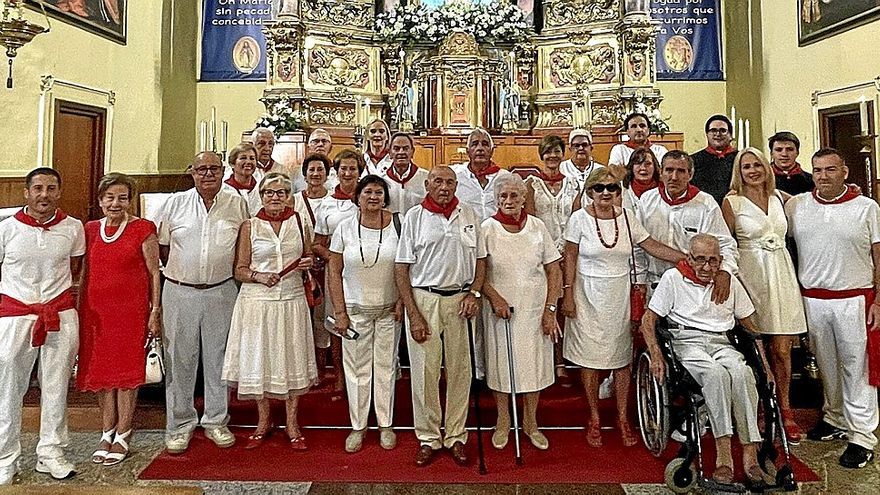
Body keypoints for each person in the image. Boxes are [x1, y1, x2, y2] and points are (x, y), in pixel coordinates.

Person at [561, 168, 684, 448]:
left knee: (621, 358)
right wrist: (567, 294)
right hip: (586, 294)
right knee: (590, 358)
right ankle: (593, 416)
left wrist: (686, 258)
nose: (606, 193)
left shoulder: (628, 218)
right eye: (600, 188)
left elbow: (650, 245)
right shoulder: (579, 218)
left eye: (613, 188)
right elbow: (569, 255)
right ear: (590, 192)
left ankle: (622, 417)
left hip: (618, 294)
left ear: (620, 192)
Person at [641, 234, 772, 488]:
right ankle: (724, 456)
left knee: (742, 372)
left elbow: (750, 326)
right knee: (716, 374)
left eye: (713, 261)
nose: (706, 267)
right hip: (687, 342)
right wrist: (656, 355)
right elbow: (649, 320)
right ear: (689, 258)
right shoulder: (673, 279)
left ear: (720, 261)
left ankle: (750, 454)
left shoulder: (728, 281)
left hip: (721, 341)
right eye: (699, 260)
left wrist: (766, 367)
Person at [786, 148, 879, 469]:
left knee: (858, 369)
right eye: (818, 170)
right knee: (825, 365)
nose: (823, 176)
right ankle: (835, 417)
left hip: (854, 299)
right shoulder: (797, 206)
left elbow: (878, 255)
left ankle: (862, 436)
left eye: (830, 170)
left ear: (845, 172)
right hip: (813, 299)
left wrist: (879, 299)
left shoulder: (867, 208)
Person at [159, 152, 249, 455]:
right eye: (201, 169)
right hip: (179, 290)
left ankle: (216, 420)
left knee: (218, 357)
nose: (207, 174)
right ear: (191, 172)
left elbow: (242, 246)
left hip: (222, 289)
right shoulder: (175, 203)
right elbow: (162, 247)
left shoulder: (236, 203)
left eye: (213, 168)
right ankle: (180, 424)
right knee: (179, 358)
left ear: (223, 171)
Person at [0, 168, 85, 484]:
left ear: (59, 192)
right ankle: (5, 458)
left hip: (59, 315)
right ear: (26, 192)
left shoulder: (73, 228)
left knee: (56, 385)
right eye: (37, 188)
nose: (44, 195)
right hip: (15, 316)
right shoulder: (7, 229)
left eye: (51, 188)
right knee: (8, 388)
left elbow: (76, 267)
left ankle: (51, 453)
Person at [222, 172, 317, 451]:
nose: (275, 198)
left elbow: (308, 256)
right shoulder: (250, 226)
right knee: (259, 360)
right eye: (269, 193)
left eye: (281, 193)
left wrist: (306, 264)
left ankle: (291, 422)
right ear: (261, 197)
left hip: (291, 300)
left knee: (291, 358)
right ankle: (263, 421)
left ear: (289, 196)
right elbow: (238, 269)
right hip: (257, 302)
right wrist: (259, 276)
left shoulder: (300, 221)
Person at [395, 166, 482, 467]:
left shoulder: (469, 214)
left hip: (460, 299)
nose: (444, 187)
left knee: (461, 371)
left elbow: (481, 260)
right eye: (438, 182)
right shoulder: (414, 218)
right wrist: (413, 314)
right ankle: (428, 437)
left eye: (449, 182)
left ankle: (456, 435)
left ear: (456, 185)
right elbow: (401, 269)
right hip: (425, 298)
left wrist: (475, 293)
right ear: (428, 185)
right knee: (425, 372)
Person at [721, 148, 808, 444]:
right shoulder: (731, 202)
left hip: (781, 274)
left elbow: (815, 206)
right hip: (751, 276)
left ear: (765, 167)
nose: (753, 170)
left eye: (757, 164)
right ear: (739, 171)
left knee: (782, 350)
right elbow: (726, 243)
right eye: (746, 166)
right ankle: (759, 409)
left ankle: (785, 409)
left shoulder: (780, 199)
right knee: (756, 351)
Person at [77, 173, 161, 466]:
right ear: (100, 201)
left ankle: (124, 433)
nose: (116, 203)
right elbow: (85, 272)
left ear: (130, 200)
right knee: (102, 375)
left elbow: (154, 272)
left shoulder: (143, 228)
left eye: (122, 197)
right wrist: (79, 310)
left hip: (131, 312)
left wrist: (155, 311)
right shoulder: (88, 229)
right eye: (110, 197)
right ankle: (106, 430)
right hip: (96, 313)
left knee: (126, 375)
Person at [479, 173, 562, 451]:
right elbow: (478, 275)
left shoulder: (538, 227)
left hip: (534, 310)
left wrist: (551, 309)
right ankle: (503, 421)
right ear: (496, 199)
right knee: (501, 366)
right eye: (503, 196)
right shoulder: (487, 228)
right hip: (500, 310)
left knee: (533, 366)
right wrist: (494, 297)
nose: (509, 201)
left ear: (524, 198)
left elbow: (554, 270)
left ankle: (530, 422)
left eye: (514, 195)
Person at [328, 175, 402, 453]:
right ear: (357, 197)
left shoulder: (398, 225)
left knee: (385, 369)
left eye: (379, 192)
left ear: (386, 197)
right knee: (357, 371)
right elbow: (333, 271)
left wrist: (402, 302)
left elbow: (406, 267)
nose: (373, 197)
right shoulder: (344, 228)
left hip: (388, 311)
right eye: (368, 192)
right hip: (355, 311)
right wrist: (340, 311)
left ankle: (386, 425)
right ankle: (358, 427)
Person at [637, 150, 738, 297]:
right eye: (669, 170)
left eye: (681, 171)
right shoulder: (647, 200)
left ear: (690, 175)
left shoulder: (706, 204)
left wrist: (725, 271)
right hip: (652, 281)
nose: (674, 177)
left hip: (690, 283)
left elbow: (725, 244)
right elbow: (637, 244)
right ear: (660, 172)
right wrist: (639, 279)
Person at [313, 149, 365, 396]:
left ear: (359, 172)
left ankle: (365, 374)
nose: (347, 173)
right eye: (343, 168)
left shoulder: (369, 196)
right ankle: (341, 376)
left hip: (366, 270)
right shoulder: (327, 203)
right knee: (337, 322)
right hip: (336, 271)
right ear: (336, 171)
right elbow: (317, 243)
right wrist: (335, 259)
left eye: (352, 169)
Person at [296, 153, 333, 380]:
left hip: (327, 265)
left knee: (322, 319)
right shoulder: (294, 200)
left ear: (327, 175)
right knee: (301, 319)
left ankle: (320, 370)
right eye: (311, 170)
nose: (316, 174)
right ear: (305, 174)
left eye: (320, 170)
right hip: (301, 267)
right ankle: (303, 369)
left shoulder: (334, 201)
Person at [450, 127, 512, 220]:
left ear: (492, 151)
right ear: (467, 151)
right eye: (475, 144)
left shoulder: (505, 177)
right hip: (466, 231)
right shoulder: (455, 175)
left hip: (496, 231)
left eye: (485, 144)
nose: (480, 148)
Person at [690, 114, 738, 205]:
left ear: (730, 135)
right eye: (713, 130)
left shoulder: (740, 158)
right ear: (707, 134)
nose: (717, 134)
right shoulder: (693, 160)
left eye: (723, 131)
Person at [385, 132, 428, 217]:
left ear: (412, 152)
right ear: (389, 152)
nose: (401, 152)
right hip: (391, 228)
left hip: (417, 227)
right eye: (396, 149)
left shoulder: (426, 178)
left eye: (405, 148)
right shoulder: (381, 179)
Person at [251, 127, 306, 192]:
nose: (267, 148)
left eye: (270, 144)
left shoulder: (283, 171)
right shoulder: (247, 169)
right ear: (253, 145)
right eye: (262, 143)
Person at [769, 131, 814, 196]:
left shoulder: (811, 181)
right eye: (779, 150)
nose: (784, 154)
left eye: (789, 149)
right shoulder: (763, 180)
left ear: (797, 153)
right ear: (771, 154)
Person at [559, 129, 604, 193]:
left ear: (591, 147)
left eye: (584, 145)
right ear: (570, 148)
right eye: (576, 146)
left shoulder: (601, 170)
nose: (581, 148)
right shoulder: (561, 168)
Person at [223, 142, 262, 215]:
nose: (248, 162)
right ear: (232, 163)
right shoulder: (223, 190)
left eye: (252, 158)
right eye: (243, 158)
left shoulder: (261, 188)